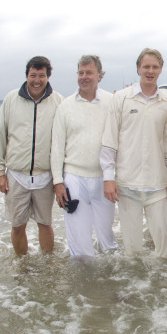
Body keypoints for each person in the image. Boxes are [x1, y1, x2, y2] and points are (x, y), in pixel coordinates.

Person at [100, 48, 167, 258]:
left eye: (155, 67)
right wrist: (108, 178)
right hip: (127, 184)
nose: (150, 71)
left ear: (161, 69)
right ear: (138, 68)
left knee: (166, 249)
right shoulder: (121, 99)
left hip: (159, 184)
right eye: (146, 66)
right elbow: (109, 141)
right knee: (132, 251)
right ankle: (134, 289)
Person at [0, 55, 64, 256]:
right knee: (17, 226)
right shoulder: (11, 99)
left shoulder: (58, 101)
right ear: (27, 76)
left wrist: (60, 178)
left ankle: (48, 264)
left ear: (48, 76)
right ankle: (22, 264)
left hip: (45, 175)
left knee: (45, 224)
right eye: (33, 75)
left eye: (42, 75)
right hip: (16, 175)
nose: (37, 80)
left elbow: (64, 139)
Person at [50, 55, 117, 258]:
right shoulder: (65, 106)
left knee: (107, 241)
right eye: (80, 73)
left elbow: (118, 141)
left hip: (104, 179)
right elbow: (57, 147)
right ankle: (83, 285)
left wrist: (113, 177)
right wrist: (58, 183)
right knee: (79, 244)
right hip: (74, 179)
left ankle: (111, 283)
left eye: (89, 72)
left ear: (99, 75)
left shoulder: (112, 102)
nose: (84, 77)